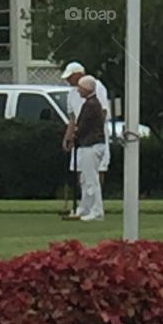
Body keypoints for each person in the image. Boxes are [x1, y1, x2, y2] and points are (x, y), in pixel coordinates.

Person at [62, 61, 112, 197]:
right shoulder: (72, 93)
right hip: (80, 136)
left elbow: (102, 112)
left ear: (79, 74)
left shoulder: (97, 87)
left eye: (70, 77)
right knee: (79, 170)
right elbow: (72, 118)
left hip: (95, 137)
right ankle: (85, 202)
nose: (67, 80)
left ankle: (95, 202)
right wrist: (68, 137)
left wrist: (87, 131)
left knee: (97, 169)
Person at [71, 76, 106, 221]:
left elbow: (84, 125)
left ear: (87, 89)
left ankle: (97, 211)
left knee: (91, 180)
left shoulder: (92, 105)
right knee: (85, 179)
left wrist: (75, 135)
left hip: (91, 145)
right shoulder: (90, 103)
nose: (78, 90)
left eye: (80, 87)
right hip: (87, 144)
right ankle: (85, 207)